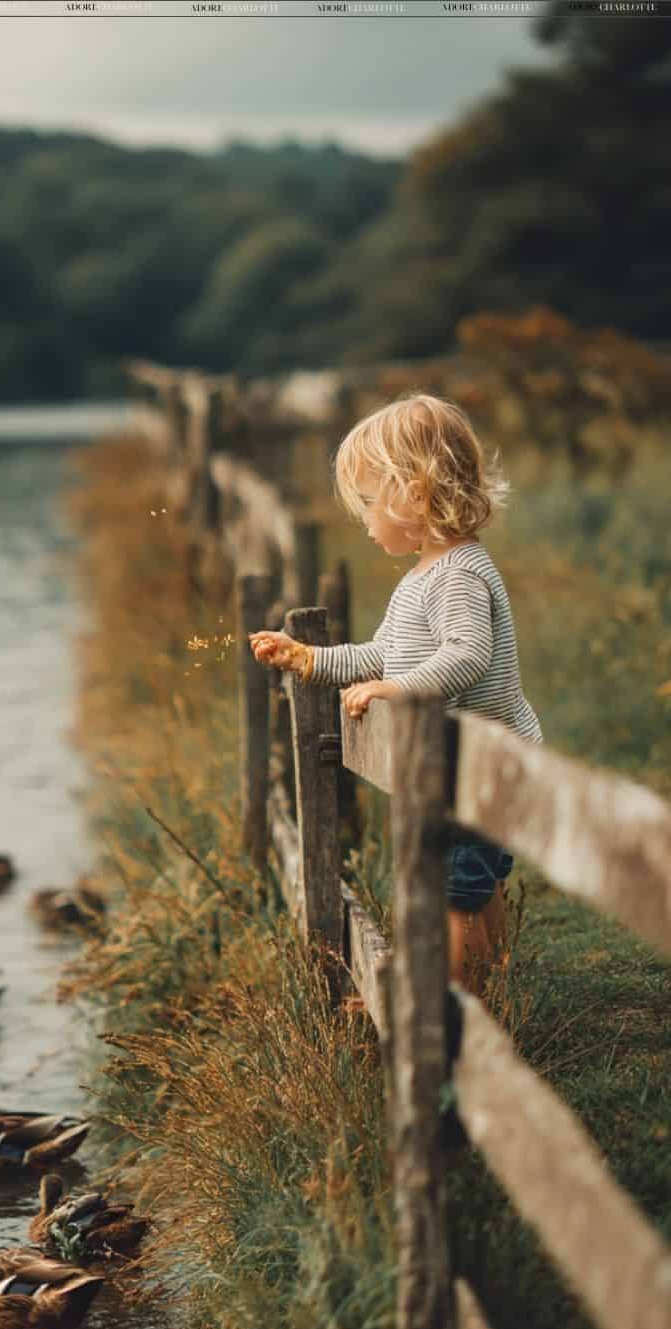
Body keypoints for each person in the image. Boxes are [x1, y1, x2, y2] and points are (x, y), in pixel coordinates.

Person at [249, 393, 542, 996]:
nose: (363, 517)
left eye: (367, 501)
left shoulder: (458, 573)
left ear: (415, 494)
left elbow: (467, 655)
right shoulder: (422, 580)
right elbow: (381, 655)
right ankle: (490, 997)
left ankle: (452, 1006)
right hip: (468, 765)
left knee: (452, 895)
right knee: (473, 887)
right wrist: (308, 659)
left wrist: (399, 691)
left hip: (477, 768)